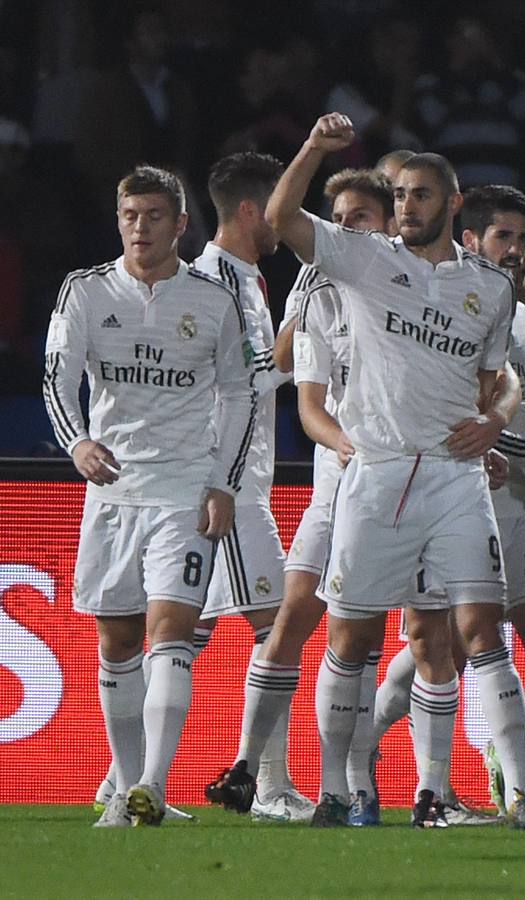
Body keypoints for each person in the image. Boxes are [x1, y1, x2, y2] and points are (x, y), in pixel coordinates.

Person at [259, 112, 525, 829]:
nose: (409, 206)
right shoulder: (362, 258)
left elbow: (496, 378)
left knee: (478, 628)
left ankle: (515, 796)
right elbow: (278, 216)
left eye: (423, 195)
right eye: (402, 196)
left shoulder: (488, 286)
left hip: (454, 477)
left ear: (452, 203)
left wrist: (496, 420)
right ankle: (337, 788)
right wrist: (313, 147)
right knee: (351, 638)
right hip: (378, 472)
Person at [359, 184, 525, 825]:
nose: (517, 252)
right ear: (468, 240)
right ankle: (368, 749)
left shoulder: (511, 312)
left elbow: (496, 415)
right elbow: (460, 420)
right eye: (502, 237)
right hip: (450, 494)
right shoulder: (456, 308)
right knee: (444, 645)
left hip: (513, 499)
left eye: (524, 240)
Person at [42, 164, 255, 826]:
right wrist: (78, 442)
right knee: (116, 642)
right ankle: (127, 787)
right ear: (119, 221)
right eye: (130, 215)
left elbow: (241, 392)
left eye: (154, 216)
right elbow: (57, 377)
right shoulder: (85, 290)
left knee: (170, 633)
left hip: (182, 490)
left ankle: (153, 787)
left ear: (181, 225)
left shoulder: (212, 301)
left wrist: (222, 480)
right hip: (112, 493)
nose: (140, 227)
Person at [204, 168, 394, 825]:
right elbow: (288, 375)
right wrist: (307, 292)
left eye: (362, 216)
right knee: (284, 624)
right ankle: (251, 773)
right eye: (339, 216)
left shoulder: (404, 287)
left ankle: (352, 785)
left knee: (369, 639)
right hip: (331, 484)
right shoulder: (314, 285)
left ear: (388, 225)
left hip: (398, 484)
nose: (348, 227)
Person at [184, 151, 315, 821]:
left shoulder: (245, 282)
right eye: (274, 208)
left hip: (238, 484)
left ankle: (124, 778)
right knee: (278, 630)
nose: (281, 221)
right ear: (246, 210)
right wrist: (310, 333)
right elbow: (234, 387)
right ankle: (269, 787)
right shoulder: (213, 286)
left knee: (181, 638)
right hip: (230, 491)